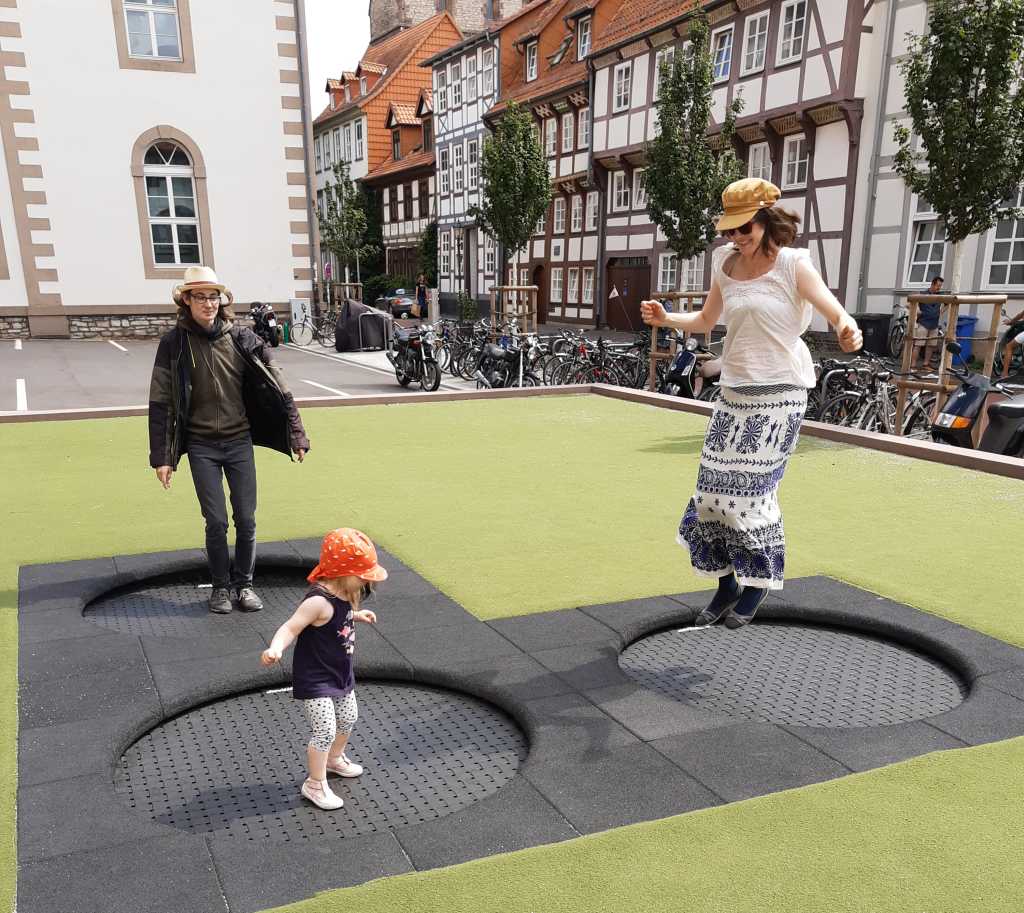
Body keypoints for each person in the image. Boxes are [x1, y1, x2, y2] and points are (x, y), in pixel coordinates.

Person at [641, 178, 863, 628]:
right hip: (734, 391)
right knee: (710, 495)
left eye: (744, 229)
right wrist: (667, 319)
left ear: (765, 220)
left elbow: (832, 308)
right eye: (729, 231)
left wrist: (846, 327)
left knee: (749, 494)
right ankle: (726, 584)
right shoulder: (725, 262)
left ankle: (758, 583)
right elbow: (706, 320)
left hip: (780, 393)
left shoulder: (792, 265)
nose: (736, 238)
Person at [148, 266, 310, 614]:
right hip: (202, 445)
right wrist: (163, 456)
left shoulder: (242, 338)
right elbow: (161, 400)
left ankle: (245, 585)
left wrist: (296, 431)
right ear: (186, 300)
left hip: (239, 441)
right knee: (217, 521)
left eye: (213, 296)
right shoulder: (173, 344)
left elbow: (279, 383)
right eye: (200, 297)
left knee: (246, 518)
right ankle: (221, 588)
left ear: (221, 301)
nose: (208, 303)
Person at [261, 528, 387, 810]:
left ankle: (333, 759)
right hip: (315, 678)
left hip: (340, 673)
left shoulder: (344, 594)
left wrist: (356, 615)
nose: (366, 584)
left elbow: (337, 617)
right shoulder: (317, 601)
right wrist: (276, 648)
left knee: (349, 717)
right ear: (343, 573)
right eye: (362, 578)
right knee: (325, 731)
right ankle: (315, 783)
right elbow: (290, 626)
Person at [913, 275, 943, 369]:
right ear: (932, 284)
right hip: (923, 323)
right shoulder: (923, 294)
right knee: (918, 344)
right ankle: (912, 365)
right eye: (938, 285)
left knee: (931, 345)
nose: (939, 288)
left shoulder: (940, 296)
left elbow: (947, 304)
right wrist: (917, 309)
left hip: (934, 324)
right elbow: (911, 303)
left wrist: (941, 311)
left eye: (940, 286)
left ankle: (926, 364)